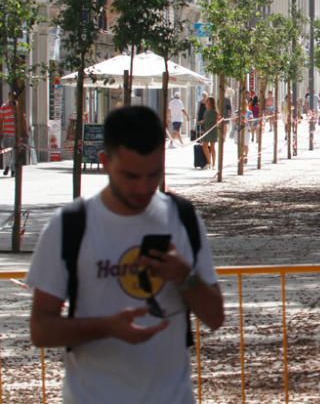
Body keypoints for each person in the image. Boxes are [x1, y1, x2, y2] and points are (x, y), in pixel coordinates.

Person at [26, 105, 224, 403]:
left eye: (153, 174)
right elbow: (41, 330)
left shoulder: (182, 218)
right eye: (130, 176)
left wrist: (184, 278)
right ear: (105, 162)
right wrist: (107, 327)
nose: (143, 187)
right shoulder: (69, 226)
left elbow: (216, 317)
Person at [198, 97, 218, 168]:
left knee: (212, 147)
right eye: (207, 101)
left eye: (208, 101)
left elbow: (217, 120)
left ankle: (214, 164)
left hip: (212, 131)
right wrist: (201, 122)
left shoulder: (215, 112)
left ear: (212, 103)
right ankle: (209, 162)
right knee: (204, 146)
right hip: (206, 130)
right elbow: (205, 120)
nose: (207, 102)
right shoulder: (206, 111)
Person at [0, 93, 15, 175]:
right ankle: (7, 166)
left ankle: (12, 169)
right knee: (6, 151)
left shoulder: (17, 106)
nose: (11, 98)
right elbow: (1, 120)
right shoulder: (4, 107)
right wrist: (1, 131)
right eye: (10, 96)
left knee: (14, 152)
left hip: (15, 133)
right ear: (8, 97)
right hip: (6, 133)